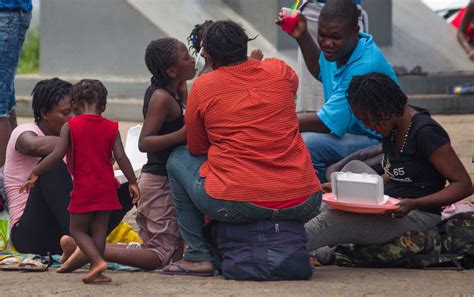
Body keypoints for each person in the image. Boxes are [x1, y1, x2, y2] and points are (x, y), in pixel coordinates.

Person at [161, 20, 321, 276]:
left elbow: (197, 146)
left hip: (236, 202)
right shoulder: (279, 70)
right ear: (245, 44)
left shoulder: (203, 86)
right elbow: (291, 83)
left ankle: (197, 255)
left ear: (208, 55)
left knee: (177, 159)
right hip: (304, 200)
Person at [57, 38, 197, 272]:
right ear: (171, 71)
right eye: (186, 57)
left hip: (165, 180)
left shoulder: (173, 89)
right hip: (158, 183)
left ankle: (86, 247)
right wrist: (183, 133)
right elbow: (145, 142)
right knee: (161, 255)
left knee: (171, 250)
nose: (193, 59)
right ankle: (92, 250)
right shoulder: (161, 97)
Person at [304, 72, 473, 255]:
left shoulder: (426, 133)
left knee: (329, 221)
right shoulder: (393, 126)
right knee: (351, 169)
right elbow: (396, 172)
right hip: (388, 201)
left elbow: (463, 185)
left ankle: (288, 248)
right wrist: (345, 187)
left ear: (385, 108)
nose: (368, 126)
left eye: (369, 120)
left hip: (415, 215)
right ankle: (318, 243)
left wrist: (415, 203)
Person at [21, 79, 140, 283]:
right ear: (102, 106)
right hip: (106, 188)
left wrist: (36, 173)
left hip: (84, 189)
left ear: (74, 105)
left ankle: (97, 262)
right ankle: (98, 269)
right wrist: (132, 182)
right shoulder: (111, 127)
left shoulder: (71, 126)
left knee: (77, 229)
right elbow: (121, 157)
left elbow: (57, 155)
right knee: (99, 231)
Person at [277, 0, 397, 183]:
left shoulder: (364, 64)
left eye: (335, 38)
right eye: (322, 35)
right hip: (356, 133)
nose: (327, 43)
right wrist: (302, 36)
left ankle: (315, 201)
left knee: (307, 143)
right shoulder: (343, 49)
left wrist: (272, 120)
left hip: (380, 141)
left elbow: (326, 122)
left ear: (355, 32)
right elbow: (320, 70)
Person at [0, 0, 32, 196]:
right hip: (8, 14)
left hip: (7, 13)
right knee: (6, 98)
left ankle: (4, 184)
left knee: (0, 105)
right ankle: (14, 171)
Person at [188, 20, 264, 76]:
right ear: (203, 50)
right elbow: (238, 83)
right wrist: (253, 63)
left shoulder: (224, 64)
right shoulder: (207, 75)